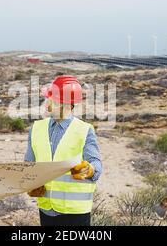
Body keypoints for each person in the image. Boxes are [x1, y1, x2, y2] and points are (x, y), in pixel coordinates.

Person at [24, 75, 102, 226]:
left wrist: (89, 169)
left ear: (65, 104)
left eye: (50, 100)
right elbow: (28, 165)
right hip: (46, 209)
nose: (46, 105)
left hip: (75, 213)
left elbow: (97, 167)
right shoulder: (36, 129)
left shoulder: (84, 130)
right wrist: (31, 182)